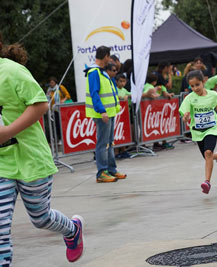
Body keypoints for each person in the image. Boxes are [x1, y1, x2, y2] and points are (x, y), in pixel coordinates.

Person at [0, 37, 84, 264]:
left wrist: (7, 132)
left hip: (31, 159)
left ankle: (72, 230)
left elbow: (40, 105)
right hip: (2, 165)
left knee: (40, 218)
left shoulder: (13, 72)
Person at [179, 70, 217, 194]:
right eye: (192, 86)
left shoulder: (212, 94)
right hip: (198, 131)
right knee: (208, 157)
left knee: (207, 153)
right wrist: (185, 116)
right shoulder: (190, 98)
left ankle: (207, 182)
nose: (195, 88)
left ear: (203, 82)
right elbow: (184, 111)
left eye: (197, 84)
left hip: (212, 128)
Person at [84, 46, 127, 182]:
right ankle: (102, 172)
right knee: (103, 144)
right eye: (109, 57)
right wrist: (102, 110)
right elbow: (94, 93)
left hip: (109, 113)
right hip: (103, 114)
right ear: (106, 56)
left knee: (109, 143)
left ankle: (111, 170)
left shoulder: (101, 72)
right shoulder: (94, 72)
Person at [46, 76, 72, 144]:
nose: (51, 84)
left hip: (62, 109)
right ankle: (60, 138)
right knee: (57, 125)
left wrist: (64, 99)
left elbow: (68, 95)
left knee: (64, 124)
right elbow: (48, 99)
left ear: (55, 82)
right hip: (54, 110)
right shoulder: (49, 90)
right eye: (50, 83)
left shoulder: (60, 87)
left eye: (52, 82)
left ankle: (67, 138)